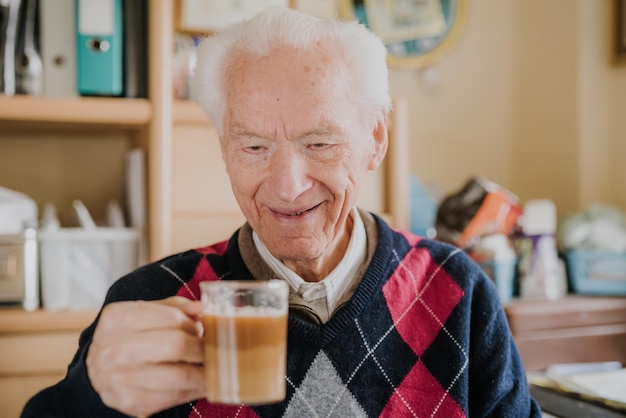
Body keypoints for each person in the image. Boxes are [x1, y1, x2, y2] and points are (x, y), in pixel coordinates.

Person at [23, 6, 541, 418]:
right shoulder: (152, 300)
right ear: (223, 148)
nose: (289, 187)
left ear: (375, 140)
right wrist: (90, 397)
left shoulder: (457, 290)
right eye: (253, 148)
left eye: (319, 143)